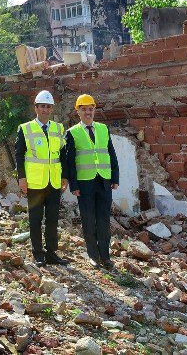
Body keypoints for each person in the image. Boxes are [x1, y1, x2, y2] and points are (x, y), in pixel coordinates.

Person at [62, 93, 119, 269]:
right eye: (84, 109)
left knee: (103, 219)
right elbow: (69, 161)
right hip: (84, 183)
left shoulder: (103, 128)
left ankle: (105, 256)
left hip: (104, 180)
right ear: (77, 112)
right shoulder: (72, 133)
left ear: (94, 110)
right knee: (88, 219)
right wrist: (74, 185)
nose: (88, 112)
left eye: (90, 109)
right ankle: (93, 256)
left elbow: (111, 153)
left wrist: (115, 177)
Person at [13, 89, 68, 266]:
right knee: (35, 219)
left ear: (51, 109)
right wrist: (21, 179)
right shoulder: (25, 129)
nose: (45, 110)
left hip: (54, 182)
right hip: (35, 182)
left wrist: (65, 177)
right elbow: (19, 155)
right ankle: (38, 253)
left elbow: (63, 154)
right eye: (42, 106)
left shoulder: (58, 128)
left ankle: (51, 253)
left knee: (52, 219)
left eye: (48, 107)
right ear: (35, 108)